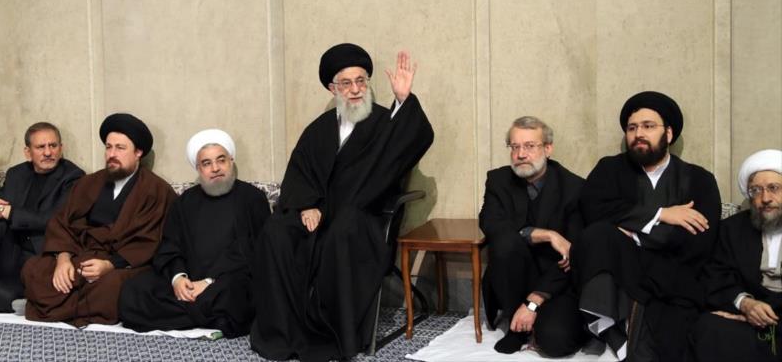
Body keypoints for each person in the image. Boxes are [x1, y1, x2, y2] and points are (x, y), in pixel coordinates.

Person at [250, 44, 434, 362]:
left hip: (364, 217)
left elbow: (414, 139)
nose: (355, 90)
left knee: (343, 228)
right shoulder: (318, 130)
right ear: (331, 88)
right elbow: (299, 174)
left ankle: (331, 336)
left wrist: (403, 100)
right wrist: (307, 204)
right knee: (276, 232)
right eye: (346, 83)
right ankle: (283, 332)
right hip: (318, 214)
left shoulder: (384, 122)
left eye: (361, 81)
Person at [572, 91, 721, 361]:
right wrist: (661, 214)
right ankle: (610, 329)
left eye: (648, 126)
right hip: (620, 268)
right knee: (597, 234)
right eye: (632, 128)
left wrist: (630, 233)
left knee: (665, 349)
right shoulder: (609, 169)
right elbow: (594, 210)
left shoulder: (699, 179)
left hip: (672, 277)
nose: (638, 133)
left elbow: (699, 240)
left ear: (669, 134)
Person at [21, 113, 176, 327]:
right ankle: (74, 303)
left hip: (121, 262)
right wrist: (63, 259)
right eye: (108, 147)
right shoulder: (89, 182)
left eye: (120, 148)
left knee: (110, 287)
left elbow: (149, 241)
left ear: (138, 152)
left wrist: (108, 265)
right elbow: (63, 222)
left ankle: (68, 306)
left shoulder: (156, 190)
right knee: (34, 269)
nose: (112, 154)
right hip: (80, 255)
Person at [118, 129, 270, 336]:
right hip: (188, 284)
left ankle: (190, 314)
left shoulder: (252, 198)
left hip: (227, 281)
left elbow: (256, 250)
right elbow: (170, 245)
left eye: (221, 160)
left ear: (231, 161)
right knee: (133, 292)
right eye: (206, 163)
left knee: (236, 295)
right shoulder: (185, 202)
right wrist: (179, 279)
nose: (215, 168)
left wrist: (209, 282)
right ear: (198, 169)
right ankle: (210, 316)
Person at [0, 122, 84, 320]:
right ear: (28, 152)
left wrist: (7, 211)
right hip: (10, 250)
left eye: (53, 146)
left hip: (41, 255)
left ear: (61, 149)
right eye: (40, 147)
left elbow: (54, 220)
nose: (48, 152)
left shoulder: (73, 177)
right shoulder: (16, 173)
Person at [479, 116, 587, 356]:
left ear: (548, 149)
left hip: (557, 281)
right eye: (515, 146)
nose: (520, 154)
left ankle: (533, 316)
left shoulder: (574, 188)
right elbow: (491, 224)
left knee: (556, 341)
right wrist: (546, 234)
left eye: (530, 146)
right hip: (512, 275)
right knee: (505, 242)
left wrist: (534, 301)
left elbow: (572, 255)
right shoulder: (498, 180)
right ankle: (516, 326)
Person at [691, 149, 782, 361]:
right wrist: (744, 303)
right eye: (756, 191)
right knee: (709, 327)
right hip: (747, 321)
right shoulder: (732, 229)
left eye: (773, 188)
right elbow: (714, 275)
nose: (765, 198)